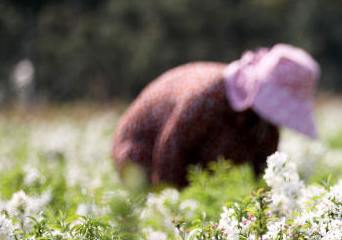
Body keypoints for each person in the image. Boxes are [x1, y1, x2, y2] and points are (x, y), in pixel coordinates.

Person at [112, 44, 320, 187]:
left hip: (186, 161)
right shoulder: (209, 95)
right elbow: (171, 148)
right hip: (143, 149)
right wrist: (169, 210)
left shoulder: (263, 123)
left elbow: (265, 167)